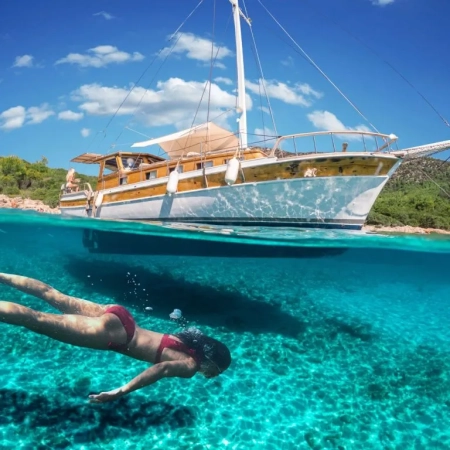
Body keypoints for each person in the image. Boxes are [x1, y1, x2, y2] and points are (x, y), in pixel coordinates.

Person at [0, 272, 231, 403]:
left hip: (122, 316)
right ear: (213, 363)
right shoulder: (190, 365)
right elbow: (159, 370)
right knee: (36, 319)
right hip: (116, 336)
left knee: (52, 294)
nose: (211, 376)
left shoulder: (189, 340)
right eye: (216, 371)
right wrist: (120, 391)